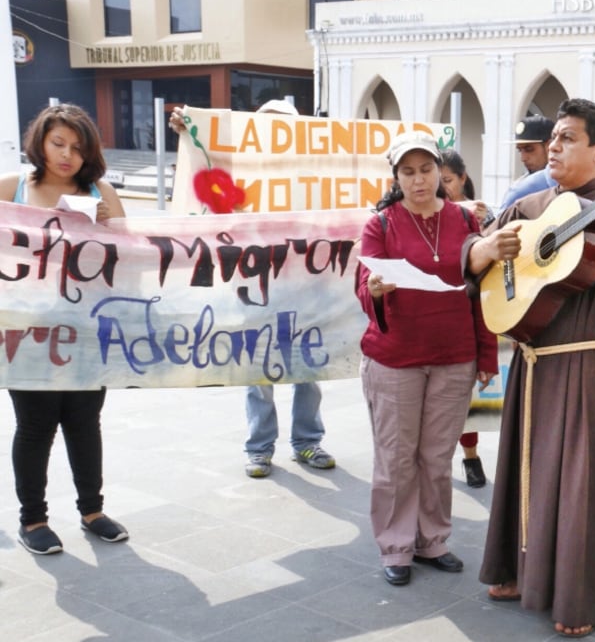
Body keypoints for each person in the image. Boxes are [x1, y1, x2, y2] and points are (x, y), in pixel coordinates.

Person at [464, 98, 595, 637]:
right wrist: (490, 248)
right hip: (534, 364)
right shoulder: (532, 203)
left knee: (581, 484)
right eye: (553, 138)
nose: (553, 147)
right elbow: (471, 254)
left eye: (567, 138)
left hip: (587, 366)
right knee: (524, 473)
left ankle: (579, 597)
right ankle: (517, 571)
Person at [356, 131, 498, 587]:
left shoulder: (464, 220)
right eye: (408, 172)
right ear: (396, 177)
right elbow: (365, 284)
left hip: (454, 355)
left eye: (426, 170)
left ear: (442, 172)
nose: (419, 181)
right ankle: (396, 546)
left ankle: (432, 540)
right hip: (396, 357)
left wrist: (486, 354)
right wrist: (374, 289)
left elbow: (482, 292)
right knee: (397, 457)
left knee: (436, 457)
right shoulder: (380, 224)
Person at [169, 100, 336, 478]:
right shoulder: (238, 179)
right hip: (254, 287)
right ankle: (260, 448)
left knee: (308, 367)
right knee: (257, 370)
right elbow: (208, 187)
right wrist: (192, 135)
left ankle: (307, 442)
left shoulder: (314, 178)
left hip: (306, 286)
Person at [0, 103, 129, 554]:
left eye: (77, 147)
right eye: (58, 143)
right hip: (26, 333)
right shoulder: (12, 187)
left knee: (84, 421)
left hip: (88, 331)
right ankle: (32, 519)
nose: (66, 155)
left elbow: (130, 259)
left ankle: (92, 511)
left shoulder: (102, 191)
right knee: (35, 427)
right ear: (40, 141)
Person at [440, 148, 491, 488]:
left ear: (462, 179)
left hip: (474, 317)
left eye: (446, 180)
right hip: (437, 319)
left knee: (466, 399)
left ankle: (470, 455)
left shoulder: (484, 216)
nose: (440, 189)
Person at [497, 115, 558, 211]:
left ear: (549, 146)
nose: (523, 158)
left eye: (529, 149)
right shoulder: (520, 190)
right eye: (520, 150)